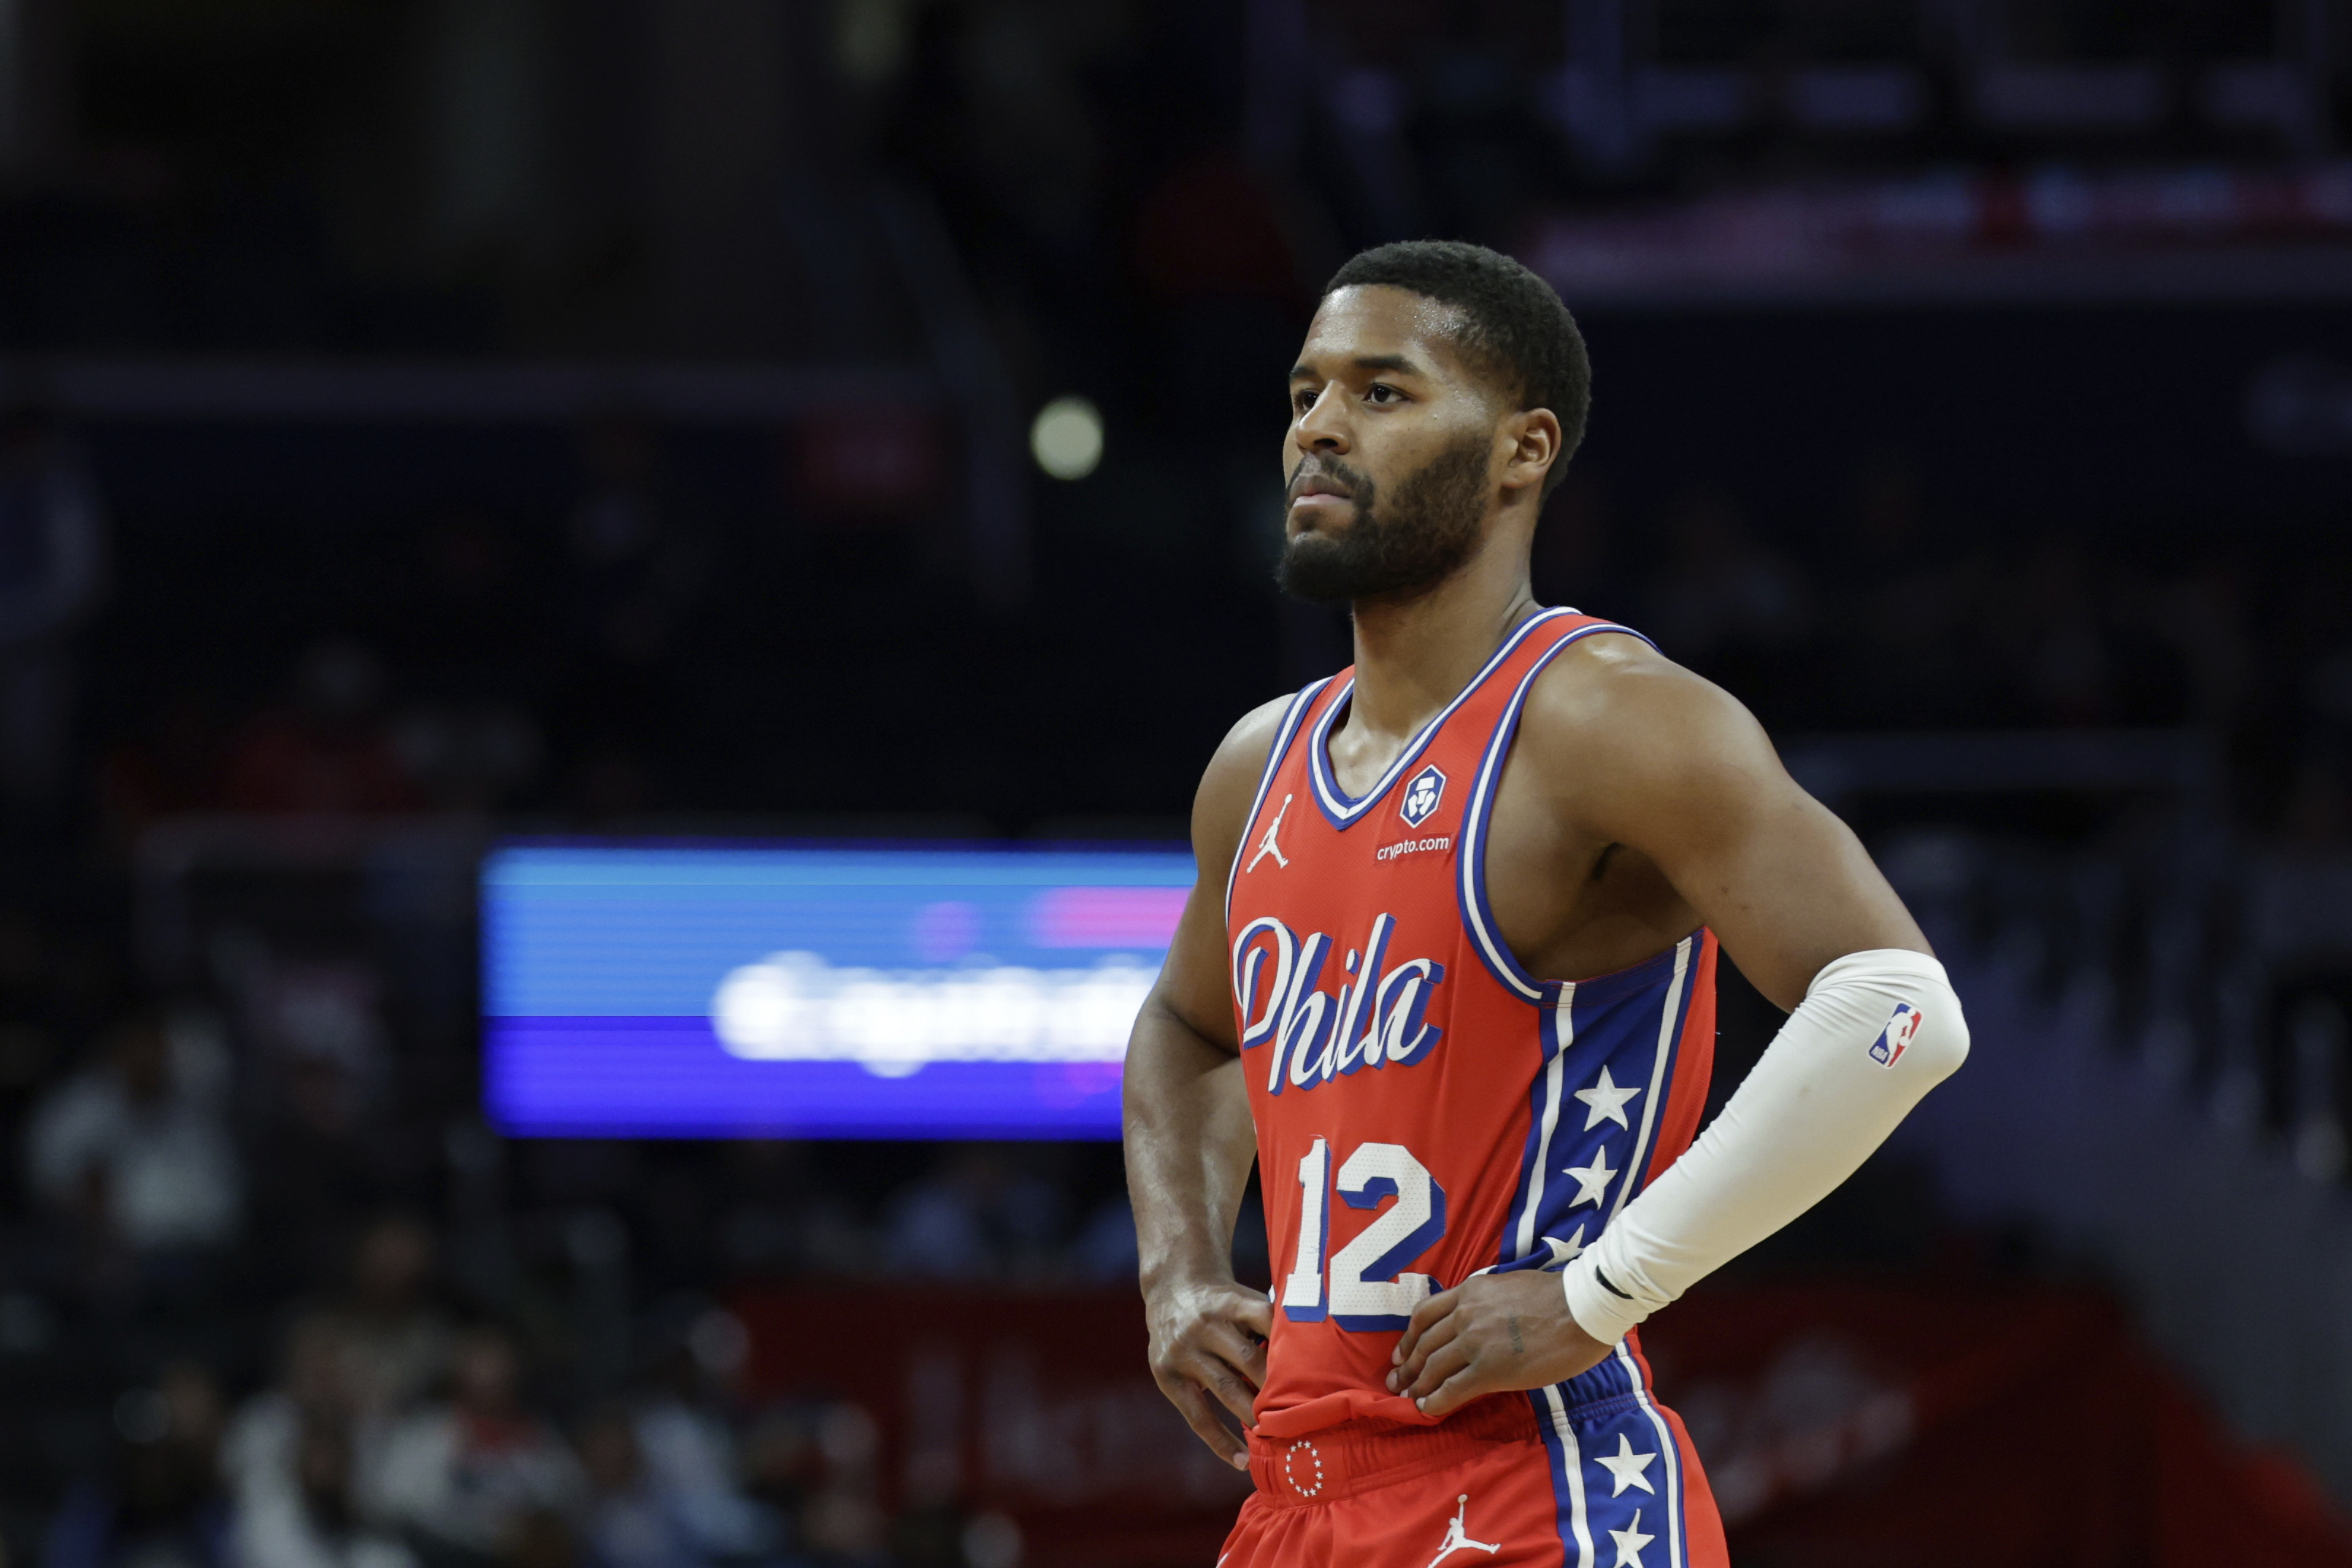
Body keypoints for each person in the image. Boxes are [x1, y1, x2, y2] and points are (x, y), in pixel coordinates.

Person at [1121, 241, 1969, 1568]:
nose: (1320, 429)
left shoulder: (1605, 718)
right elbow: (1188, 1031)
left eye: (1381, 392)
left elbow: (1896, 1010)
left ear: (1522, 450)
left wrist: (1605, 1288)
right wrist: (1176, 1272)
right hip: (1295, 1497)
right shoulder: (1258, 765)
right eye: (1303, 394)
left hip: (1529, 1483)